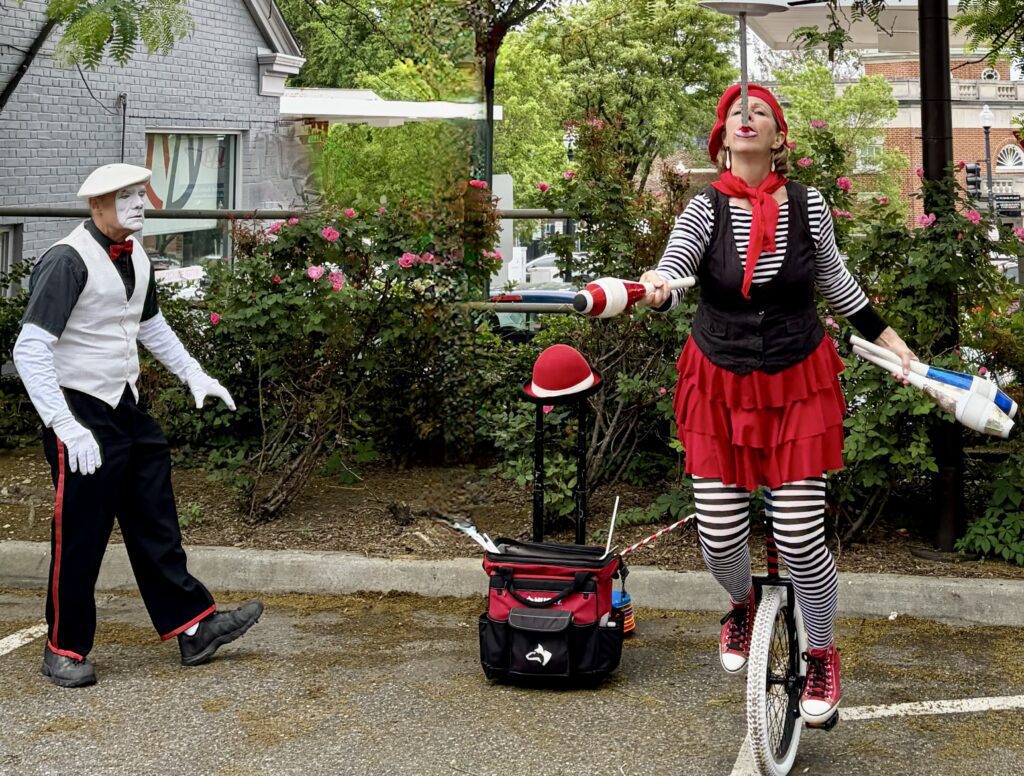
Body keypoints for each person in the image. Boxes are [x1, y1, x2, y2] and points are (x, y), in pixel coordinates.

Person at [640, 84, 914, 725]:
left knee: (798, 538)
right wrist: (657, 284)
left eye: (759, 110)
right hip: (720, 379)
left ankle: (820, 652)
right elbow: (679, 265)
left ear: (777, 136)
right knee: (717, 540)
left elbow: (836, 284)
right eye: (735, 112)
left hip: (795, 378)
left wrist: (894, 344)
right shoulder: (705, 206)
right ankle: (741, 607)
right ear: (721, 138)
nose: (746, 117)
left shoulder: (806, 204)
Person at [12, 163, 263, 688]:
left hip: (125, 405)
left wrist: (195, 373)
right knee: (81, 537)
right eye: (123, 196)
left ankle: (193, 628)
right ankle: (64, 648)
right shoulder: (66, 261)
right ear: (96, 206)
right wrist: (64, 425)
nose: (138, 203)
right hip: (79, 409)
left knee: (154, 519)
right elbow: (31, 350)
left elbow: (149, 325)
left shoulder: (138, 254)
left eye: (138, 194)